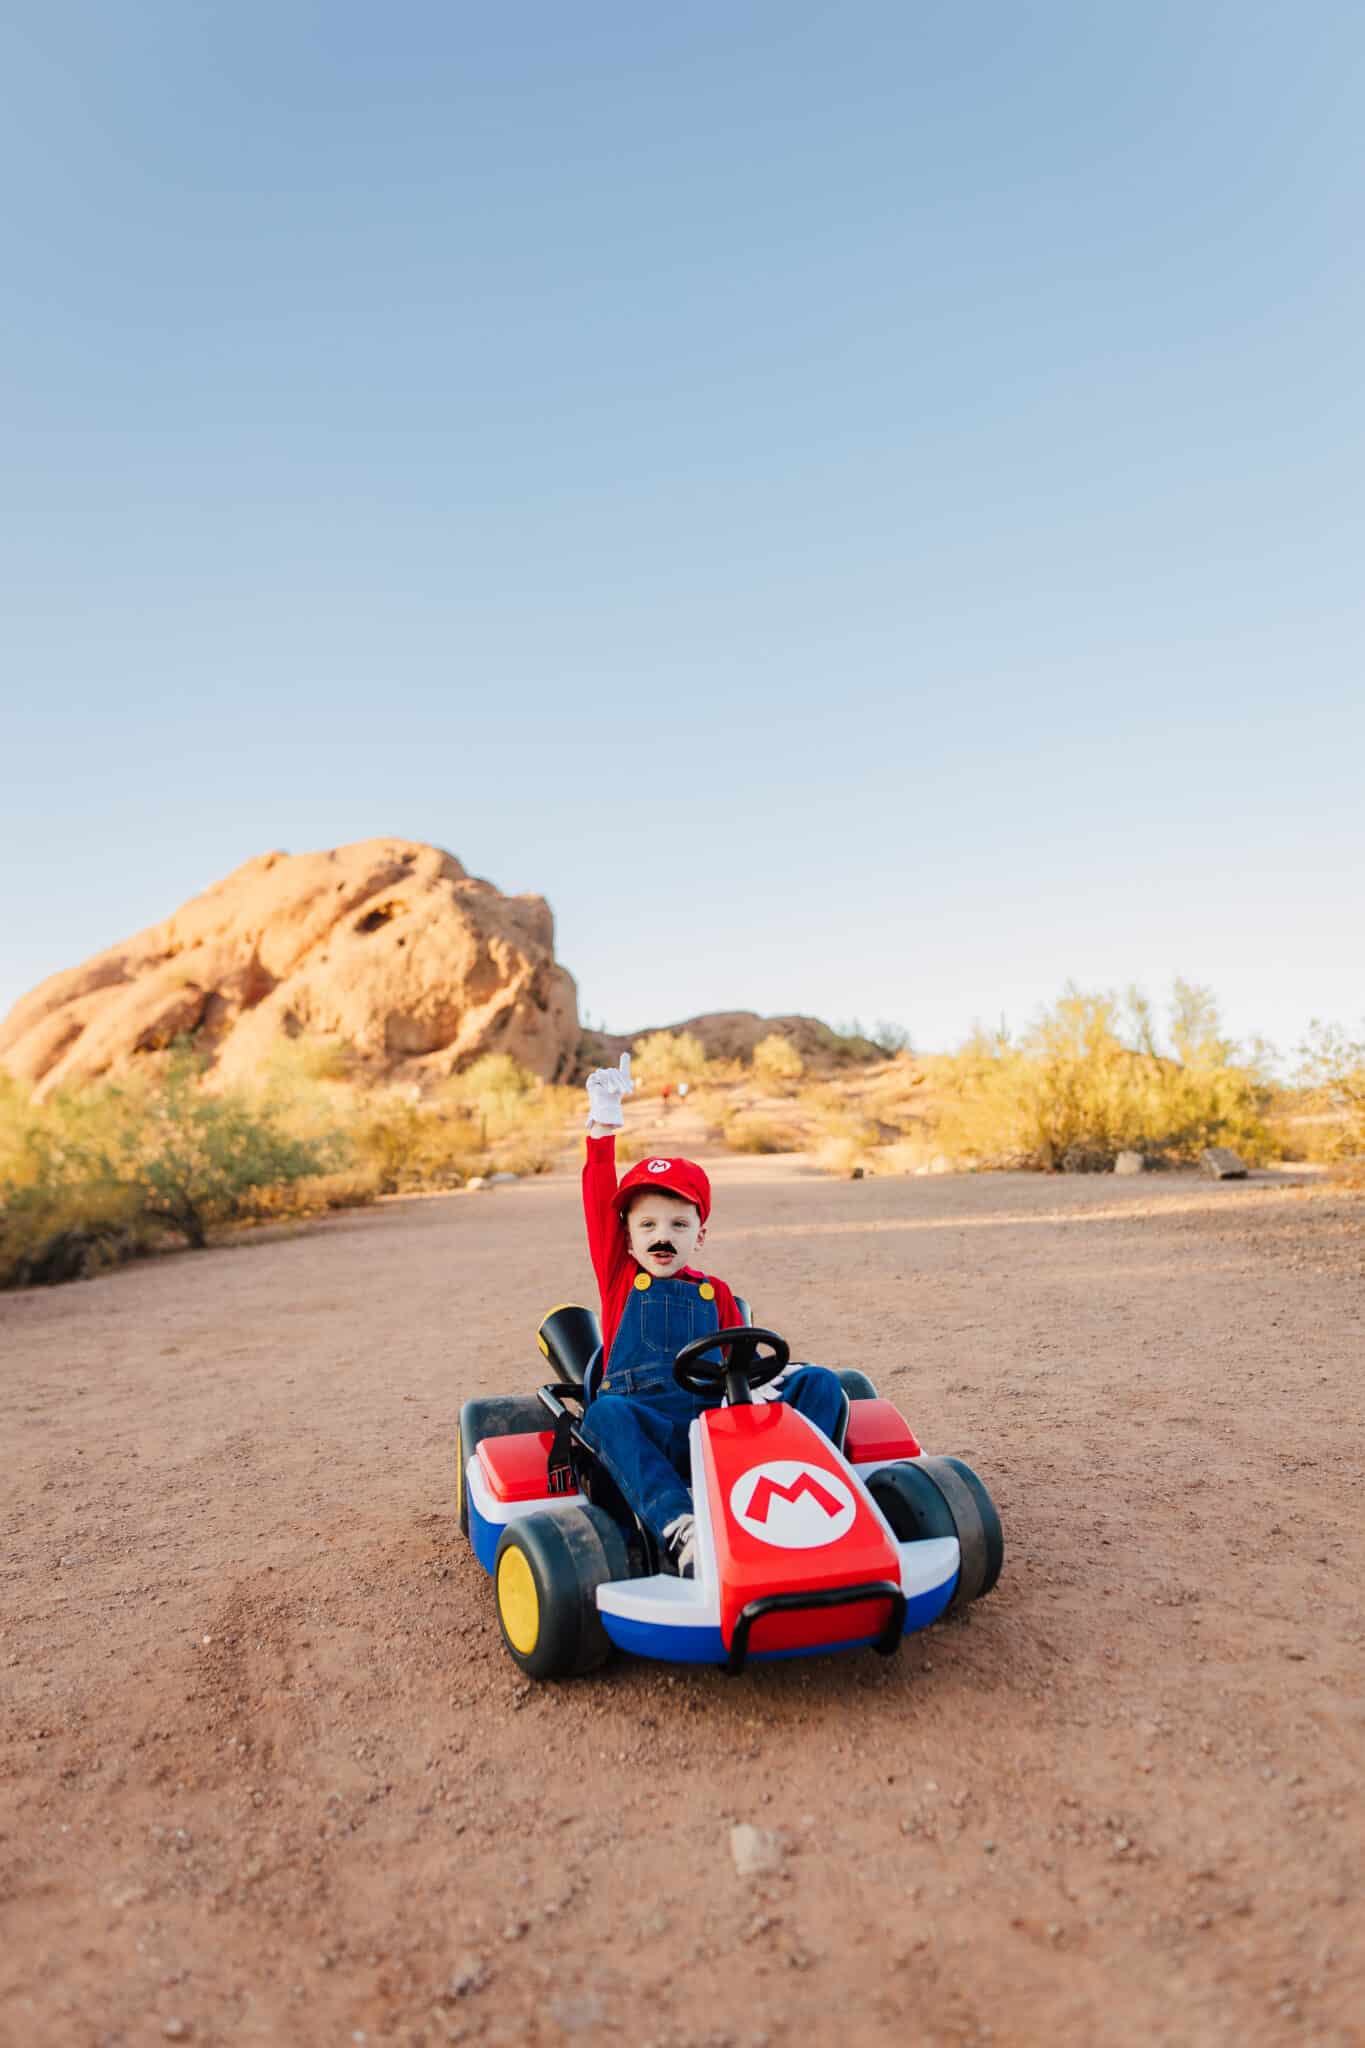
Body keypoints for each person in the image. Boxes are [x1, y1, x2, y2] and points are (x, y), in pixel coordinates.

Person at [577, 1054, 845, 1576]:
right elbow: (597, 1200)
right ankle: (683, 1526)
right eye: (648, 1224)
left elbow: (736, 1364)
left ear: (699, 1235)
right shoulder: (619, 1278)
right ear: (627, 1239)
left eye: (678, 1224)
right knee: (604, 1416)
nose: (661, 1235)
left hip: (713, 1424)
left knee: (822, 1384)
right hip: (649, 1425)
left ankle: (811, 1499)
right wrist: (603, 1126)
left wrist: (762, 1386)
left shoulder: (717, 1294)